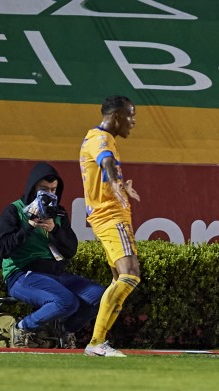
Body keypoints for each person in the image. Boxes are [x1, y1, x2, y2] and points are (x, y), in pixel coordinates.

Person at [0, 162, 106, 349]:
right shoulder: (14, 211)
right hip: (22, 274)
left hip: (55, 275)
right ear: (33, 188)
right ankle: (21, 328)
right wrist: (28, 227)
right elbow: (3, 250)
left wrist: (55, 229)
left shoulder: (58, 214)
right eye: (43, 189)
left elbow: (70, 250)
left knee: (101, 297)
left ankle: (63, 331)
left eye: (53, 190)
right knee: (66, 302)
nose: (49, 194)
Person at [79, 95, 141, 357]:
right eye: (130, 115)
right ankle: (96, 342)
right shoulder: (101, 139)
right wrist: (115, 182)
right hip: (110, 216)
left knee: (120, 278)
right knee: (130, 274)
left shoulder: (98, 138)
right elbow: (105, 162)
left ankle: (98, 342)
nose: (133, 122)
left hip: (107, 217)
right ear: (116, 116)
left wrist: (119, 184)